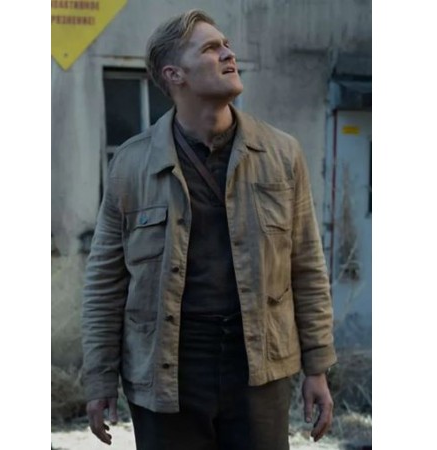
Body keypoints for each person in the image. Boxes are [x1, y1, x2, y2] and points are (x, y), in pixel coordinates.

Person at [81, 9, 337, 450]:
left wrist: (317, 367)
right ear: (174, 74)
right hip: (165, 370)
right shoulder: (131, 164)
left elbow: (308, 267)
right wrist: (99, 378)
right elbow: (106, 280)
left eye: (227, 45)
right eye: (211, 48)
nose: (228, 54)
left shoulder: (281, 154)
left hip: (258, 366)